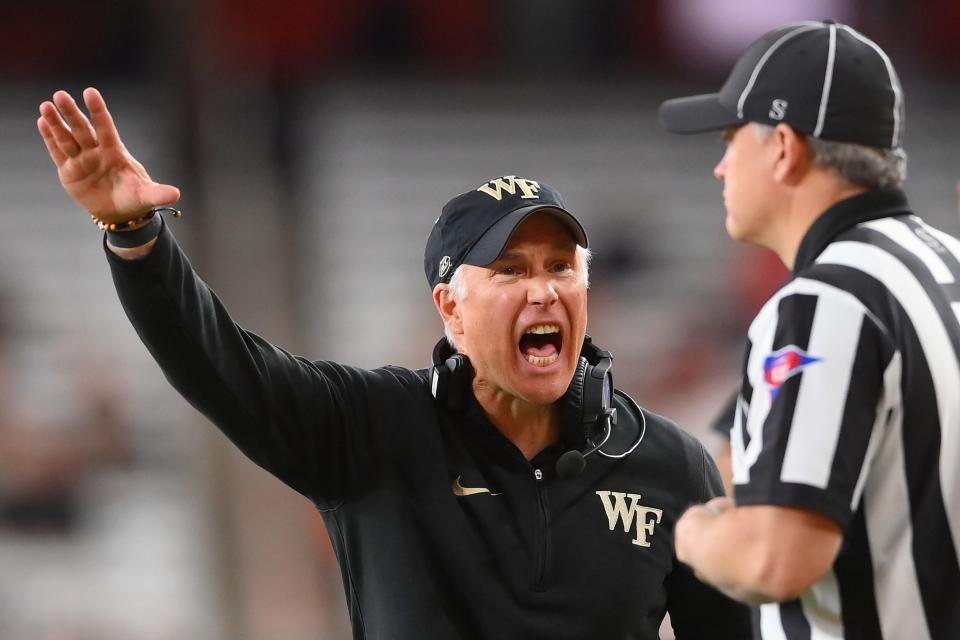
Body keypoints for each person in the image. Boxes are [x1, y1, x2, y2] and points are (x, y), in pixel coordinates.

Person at [36, 88, 750, 639]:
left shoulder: (669, 466)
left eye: (562, 267)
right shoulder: (373, 428)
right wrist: (134, 236)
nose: (543, 289)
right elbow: (220, 365)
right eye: (509, 270)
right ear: (451, 309)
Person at [659, 19, 960, 639]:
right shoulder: (945, 263)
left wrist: (690, 531)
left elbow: (776, 559)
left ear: (784, 148)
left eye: (731, 137)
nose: (719, 168)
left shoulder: (828, 300)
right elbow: (747, 441)